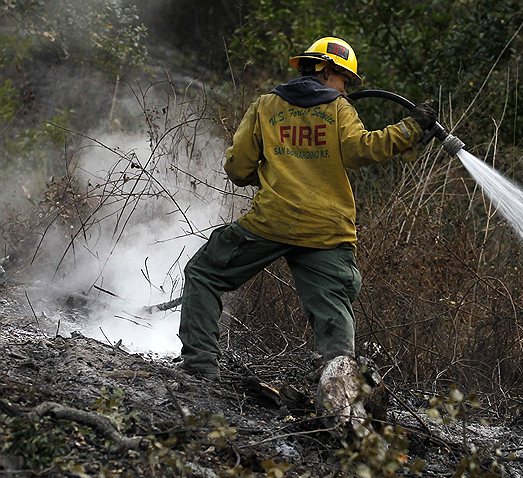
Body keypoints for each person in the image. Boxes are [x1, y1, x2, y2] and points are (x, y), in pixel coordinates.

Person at [176, 36, 437, 384]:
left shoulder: (265, 106)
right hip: (327, 230)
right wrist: (410, 128)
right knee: (333, 304)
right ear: (327, 71)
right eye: (344, 79)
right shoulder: (338, 109)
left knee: (204, 273)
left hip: (272, 221)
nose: (345, 89)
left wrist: (273, 175)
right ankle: (339, 387)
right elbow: (362, 150)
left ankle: (201, 369)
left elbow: (238, 168)